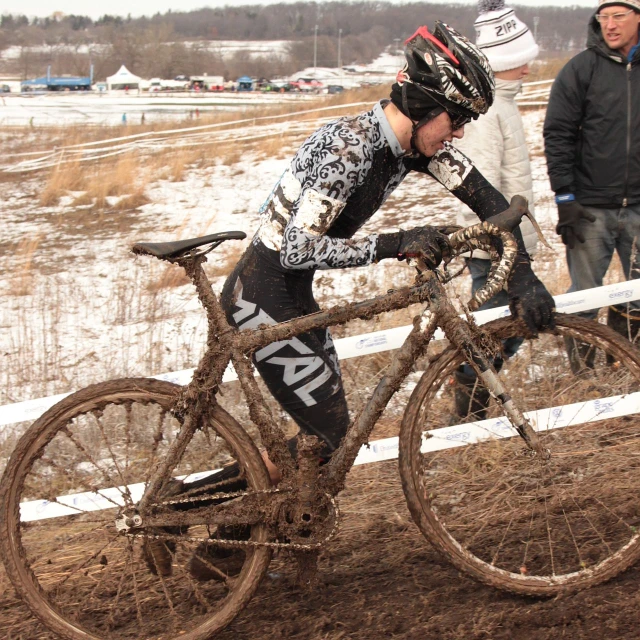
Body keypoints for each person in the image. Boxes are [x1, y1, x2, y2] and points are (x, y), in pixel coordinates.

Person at [145, 22, 555, 580]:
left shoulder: (411, 146)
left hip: (289, 294)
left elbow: (490, 201)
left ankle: (220, 535)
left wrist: (523, 275)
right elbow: (295, 248)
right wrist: (395, 243)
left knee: (324, 439)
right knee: (331, 436)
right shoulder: (349, 149)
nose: (457, 134)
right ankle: (198, 526)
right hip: (264, 294)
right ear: (424, 104)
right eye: (455, 120)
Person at [453, 0, 541, 420]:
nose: (527, 68)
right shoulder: (489, 113)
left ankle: (470, 410)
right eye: (519, 61)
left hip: (506, 243)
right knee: (493, 334)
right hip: (495, 246)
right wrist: (503, 246)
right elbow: (481, 187)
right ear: (502, 61)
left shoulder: (504, 104)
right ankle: (465, 418)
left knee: (505, 331)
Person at [543, 0, 640, 370]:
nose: (610, 25)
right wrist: (565, 197)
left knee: (639, 297)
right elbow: (558, 134)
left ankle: (624, 369)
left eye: (619, 16)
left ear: (638, 17)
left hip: (639, 207)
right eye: (604, 17)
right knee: (584, 296)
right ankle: (583, 378)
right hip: (589, 209)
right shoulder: (580, 70)